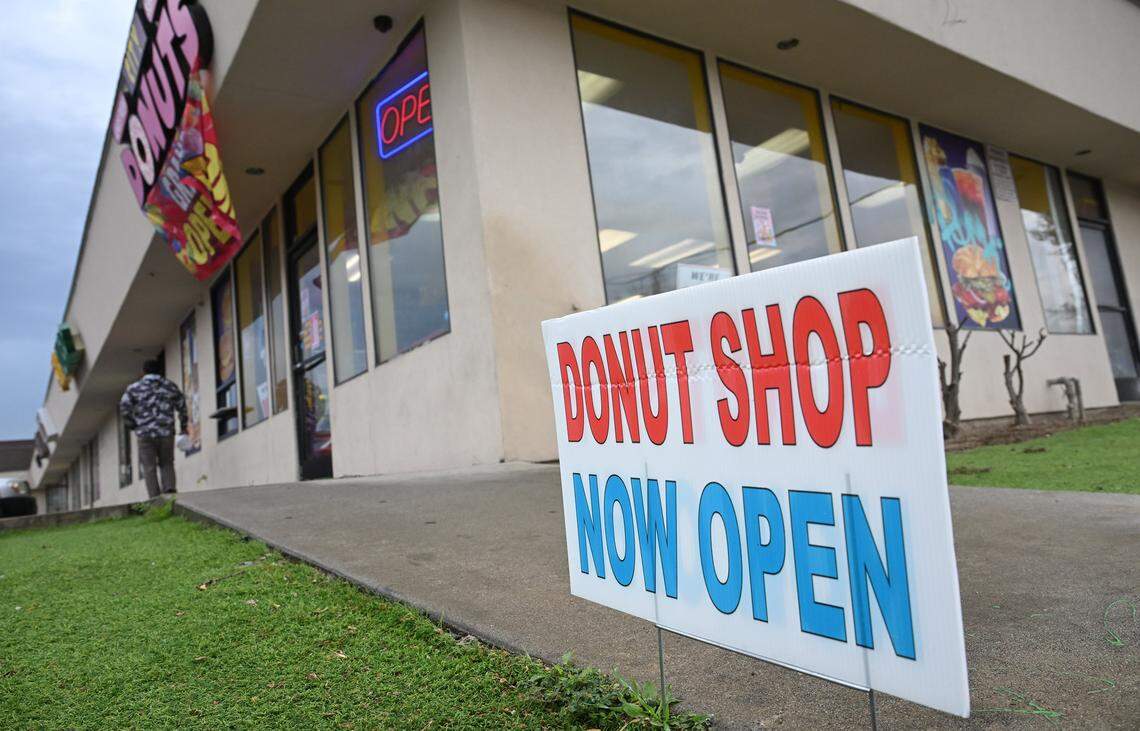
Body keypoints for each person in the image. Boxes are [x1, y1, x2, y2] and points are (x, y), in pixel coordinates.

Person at [119, 359, 187, 499]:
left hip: (145, 433)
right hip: (166, 432)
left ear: (144, 372)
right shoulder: (170, 386)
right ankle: (169, 492)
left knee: (149, 467)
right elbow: (182, 406)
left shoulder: (134, 388)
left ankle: (155, 499)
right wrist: (183, 425)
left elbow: (124, 408)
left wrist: (133, 424)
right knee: (167, 462)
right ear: (160, 371)